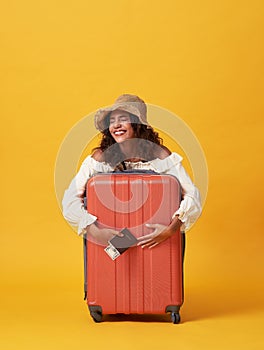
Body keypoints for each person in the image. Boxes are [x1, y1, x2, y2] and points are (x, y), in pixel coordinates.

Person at [62, 94, 201, 248]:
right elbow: (70, 200)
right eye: (112, 121)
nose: (116, 125)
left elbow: (192, 195)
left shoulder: (161, 156)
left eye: (123, 119)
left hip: (156, 240)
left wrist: (170, 230)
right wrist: (95, 232)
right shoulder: (101, 158)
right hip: (109, 240)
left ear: (137, 124)